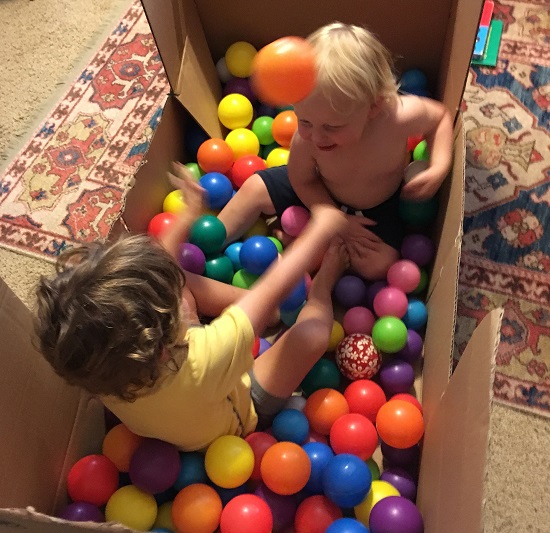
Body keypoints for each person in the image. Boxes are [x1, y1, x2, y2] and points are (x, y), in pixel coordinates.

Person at [34, 162, 349, 452]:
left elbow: (158, 273)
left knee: (177, 281)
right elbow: (272, 286)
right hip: (240, 410)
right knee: (313, 335)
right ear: (164, 347)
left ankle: (276, 315)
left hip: (175, 393)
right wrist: (320, 229)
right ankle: (324, 283)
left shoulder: (95, 365)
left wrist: (187, 214)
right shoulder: (203, 360)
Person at [218, 21, 453, 280]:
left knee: (381, 264)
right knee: (254, 187)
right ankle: (211, 241)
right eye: (304, 120)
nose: (316, 136)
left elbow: (440, 118)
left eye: (332, 126)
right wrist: (329, 215)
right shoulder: (306, 139)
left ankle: (295, 256)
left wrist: (440, 166)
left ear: (374, 107)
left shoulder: (398, 118)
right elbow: (302, 179)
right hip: (319, 190)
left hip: (377, 207)